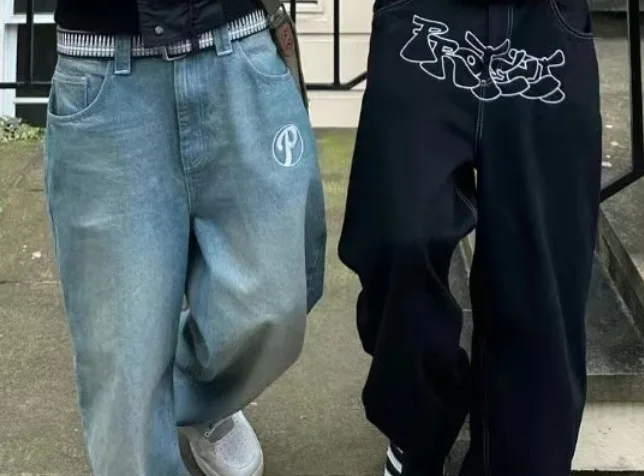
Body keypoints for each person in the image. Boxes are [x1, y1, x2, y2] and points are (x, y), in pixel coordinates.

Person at [45, 1, 326, 475]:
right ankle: (143, 383)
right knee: (124, 370)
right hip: (104, 65)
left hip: (238, 38)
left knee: (276, 300)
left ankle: (190, 389)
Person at [338, 0, 601, 474]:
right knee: (397, 239)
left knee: (541, 279)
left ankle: (514, 459)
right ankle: (420, 424)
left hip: (545, 28)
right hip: (424, 20)